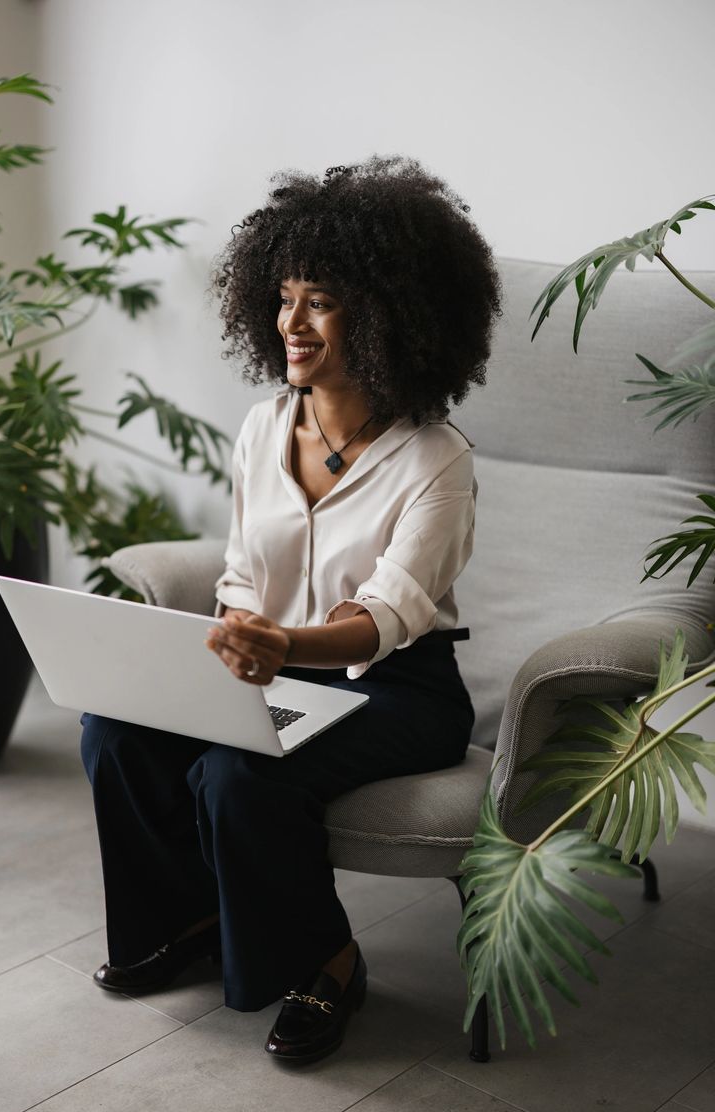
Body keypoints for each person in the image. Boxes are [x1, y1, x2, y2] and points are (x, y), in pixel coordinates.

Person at [80, 155, 501, 1065]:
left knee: (243, 772)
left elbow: (385, 618)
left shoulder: (437, 457)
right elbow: (241, 570)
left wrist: (285, 643)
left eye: (320, 300)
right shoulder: (264, 427)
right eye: (283, 297)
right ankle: (189, 916)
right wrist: (237, 629)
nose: (291, 323)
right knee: (112, 729)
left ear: (386, 313)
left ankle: (330, 958)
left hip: (400, 691)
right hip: (274, 663)